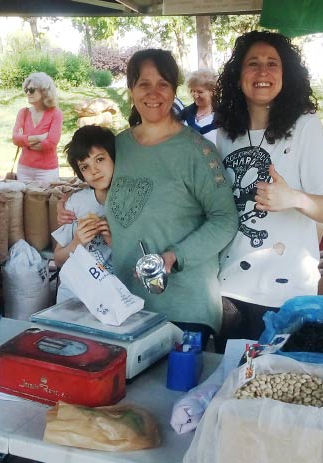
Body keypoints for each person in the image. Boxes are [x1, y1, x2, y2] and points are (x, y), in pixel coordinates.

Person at [215, 30, 323, 347]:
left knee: (273, 385)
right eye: (253, 63)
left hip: (285, 292)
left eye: (273, 63)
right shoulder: (226, 132)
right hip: (228, 289)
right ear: (238, 75)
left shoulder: (305, 127)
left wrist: (294, 198)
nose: (263, 72)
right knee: (227, 381)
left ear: (286, 75)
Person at [106, 49, 238, 346]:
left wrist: (173, 256)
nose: (153, 93)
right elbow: (118, 202)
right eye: (144, 84)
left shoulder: (197, 152)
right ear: (131, 91)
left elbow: (225, 219)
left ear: (174, 90)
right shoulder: (119, 146)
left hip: (183, 311)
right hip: (126, 305)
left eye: (163, 83)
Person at [52, 125, 115, 303]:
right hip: (74, 296)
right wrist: (77, 242)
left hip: (113, 298)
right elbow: (58, 259)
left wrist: (113, 242)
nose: (94, 170)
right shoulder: (75, 203)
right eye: (85, 167)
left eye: (100, 159)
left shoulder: (130, 202)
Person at [11, 72, 63, 185]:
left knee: (44, 202)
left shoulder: (56, 114)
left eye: (32, 90)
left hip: (47, 171)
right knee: (22, 202)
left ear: (44, 92)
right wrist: (40, 137)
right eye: (26, 90)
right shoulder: (23, 112)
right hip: (24, 170)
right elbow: (15, 139)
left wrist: (25, 141)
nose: (28, 93)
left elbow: (51, 143)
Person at [179, 68, 218, 143]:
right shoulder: (185, 114)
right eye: (193, 91)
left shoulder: (222, 117)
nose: (195, 95)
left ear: (212, 92)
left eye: (200, 92)